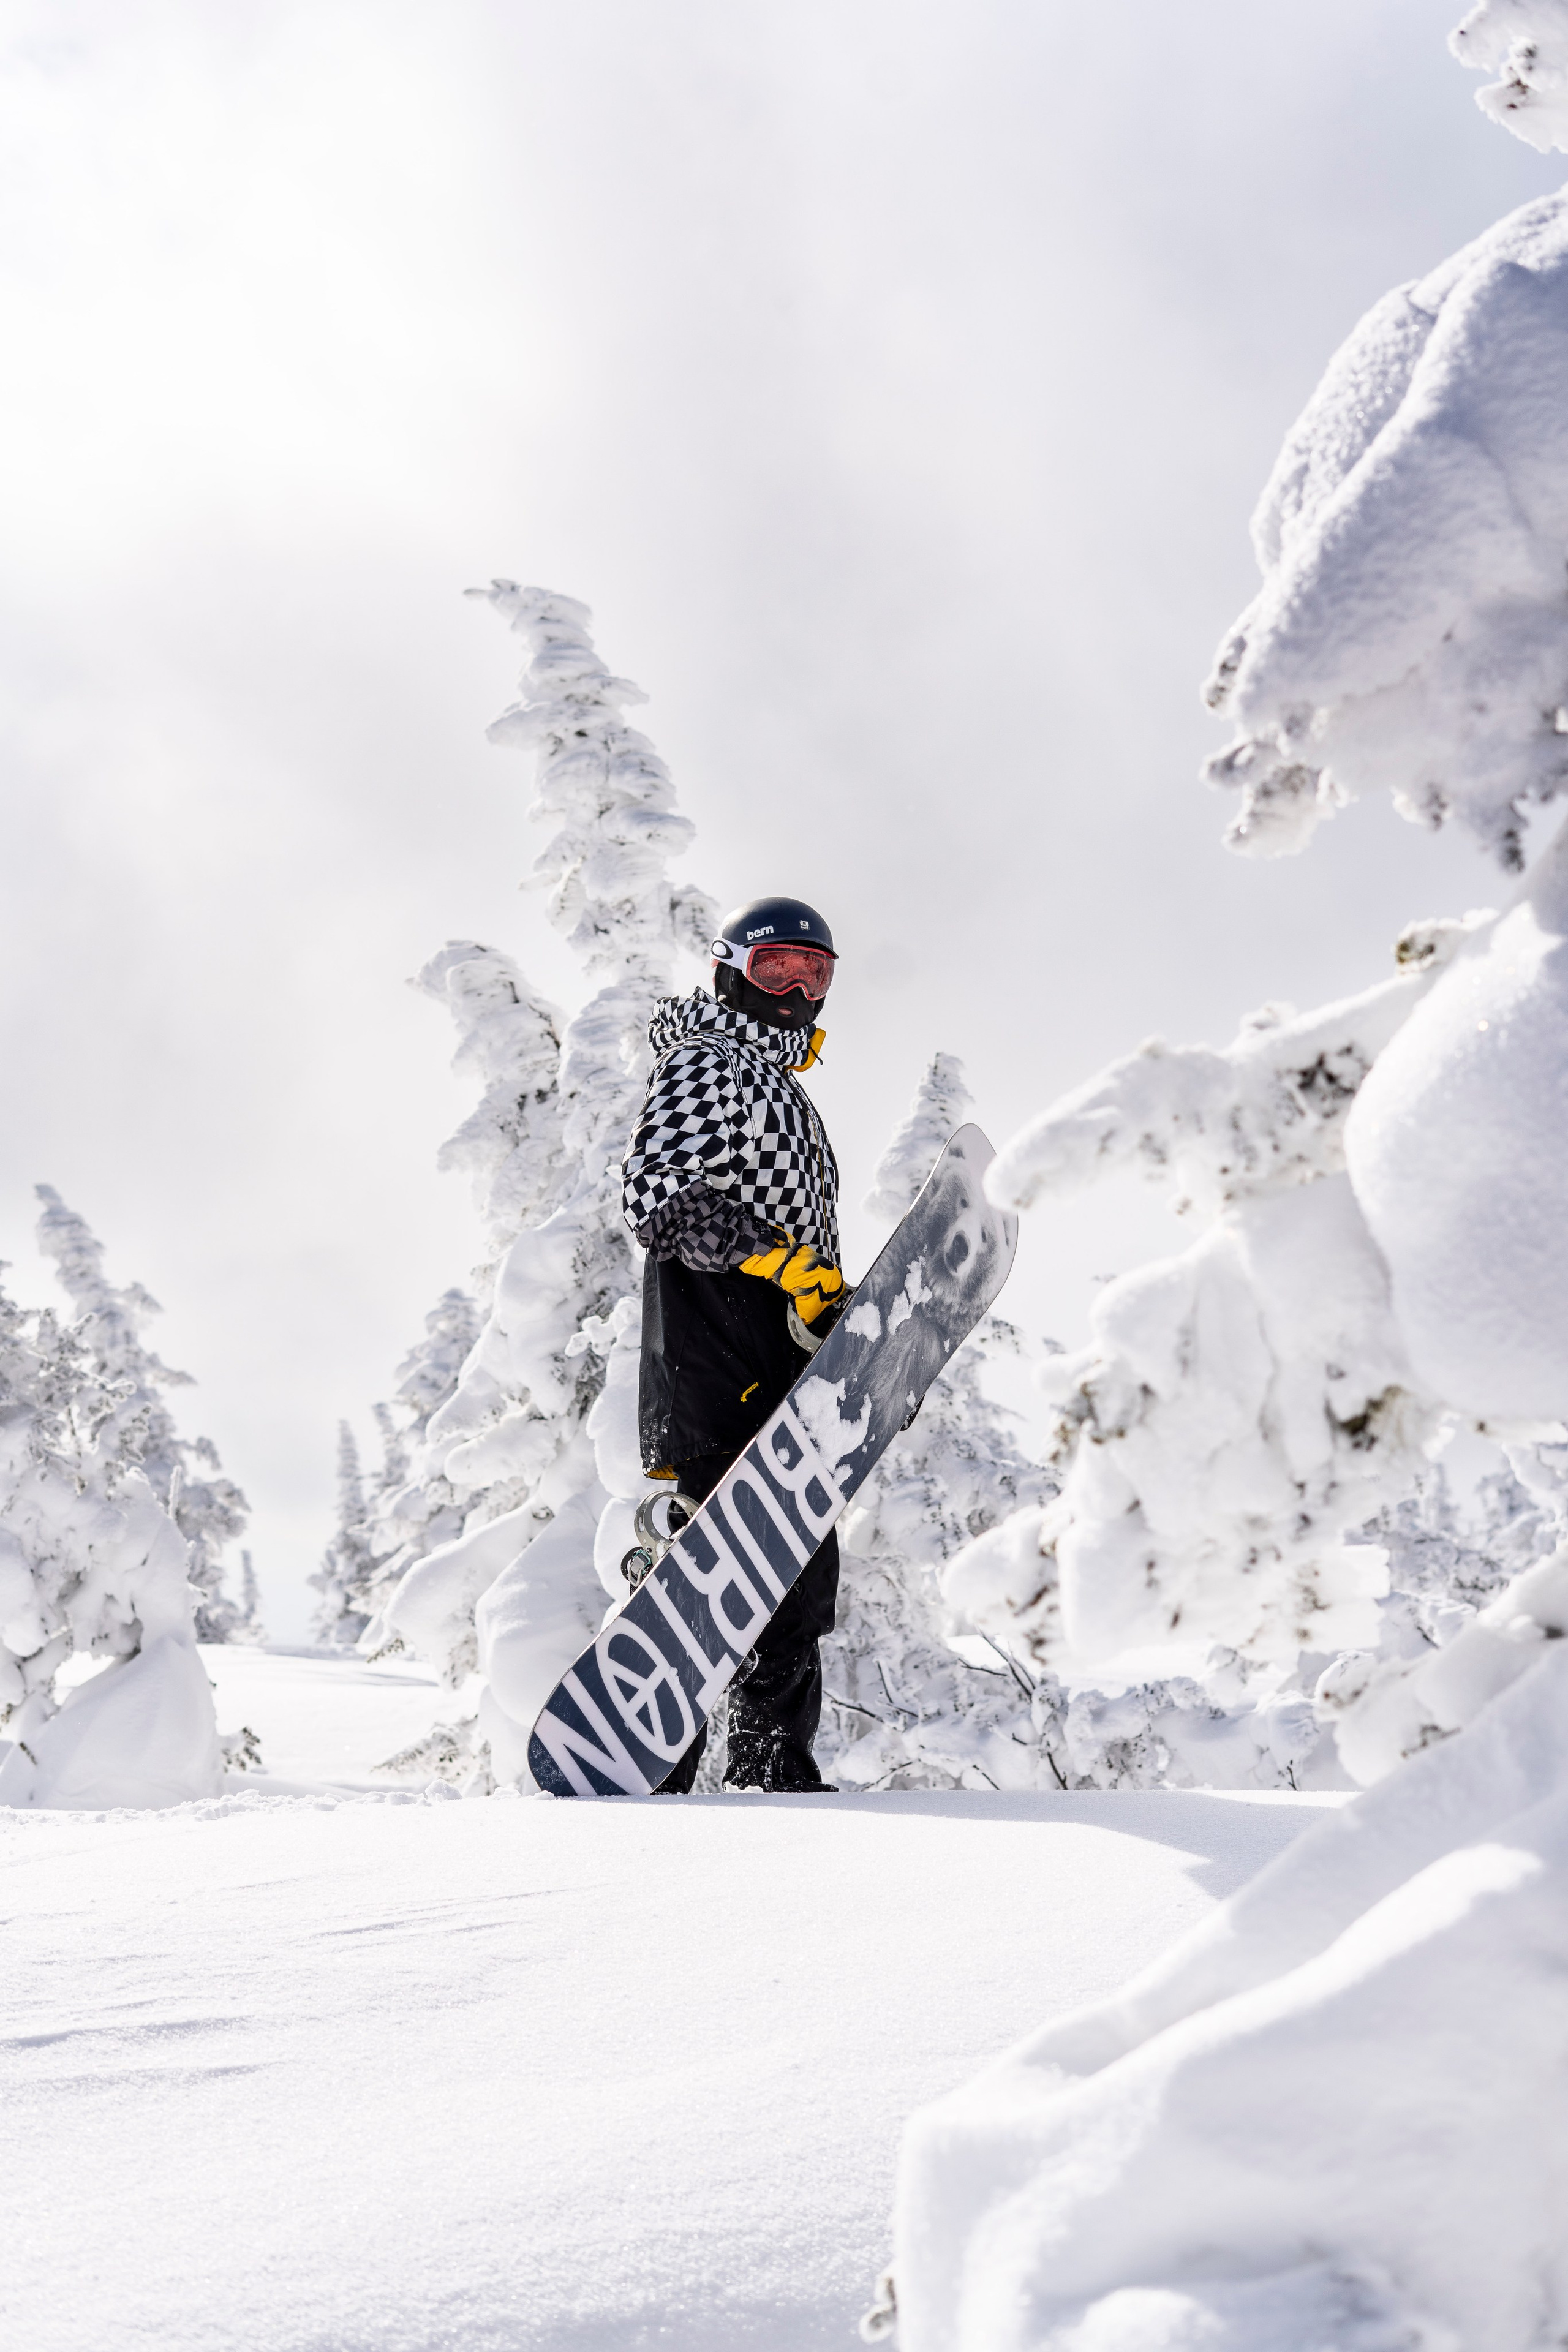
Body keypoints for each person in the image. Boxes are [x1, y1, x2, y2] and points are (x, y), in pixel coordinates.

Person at [621, 894, 848, 1793]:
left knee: (791, 1580)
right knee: (727, 1576)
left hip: (773, 1358)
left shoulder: (777, 1085)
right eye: (774, 968)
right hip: (716, 1352)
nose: (794, 989)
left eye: (813, 973)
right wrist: (778, 1262)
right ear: (728, 969)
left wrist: (826, 1302)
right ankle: (667, 1775)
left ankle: (773, 1773)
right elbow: (658, 1196)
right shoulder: (710, 1062)